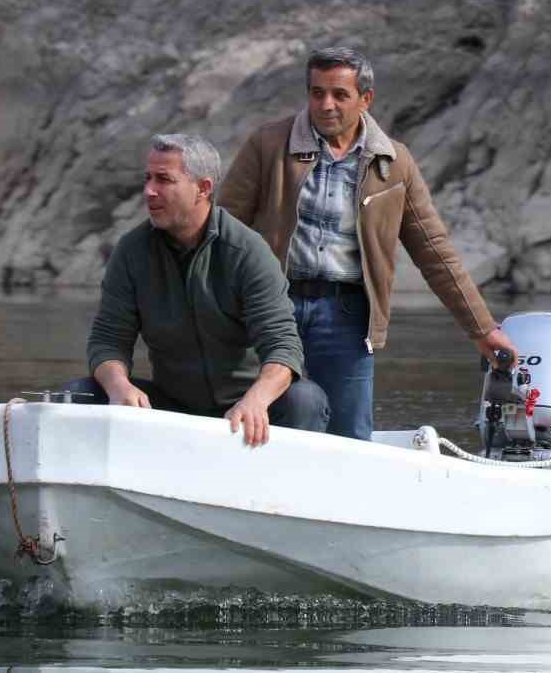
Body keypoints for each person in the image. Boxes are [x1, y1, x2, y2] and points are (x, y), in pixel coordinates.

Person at [218, 46, 516, 441]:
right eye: (317, 92)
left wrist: (481, 329)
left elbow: (434, 251)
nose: (326, 105)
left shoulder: (394, 163)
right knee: (252, 415)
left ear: (365, 99)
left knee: (351, 435)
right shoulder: (269, 144)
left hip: (347, 314)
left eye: (339, 95)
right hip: (270, 303)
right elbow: (223, 228)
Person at [65, 133, 329, 446]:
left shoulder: (247, 251)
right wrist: (119, 386)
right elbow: (108, 341)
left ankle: (283, 489)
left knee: (306, 400)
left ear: (203, 189)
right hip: (172, 408)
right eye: (147, 178)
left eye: (164, 180)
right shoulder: (130, 252)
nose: (149, 191)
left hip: (244, 407)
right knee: (79, 394)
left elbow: (283, 348)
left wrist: (256, 401)